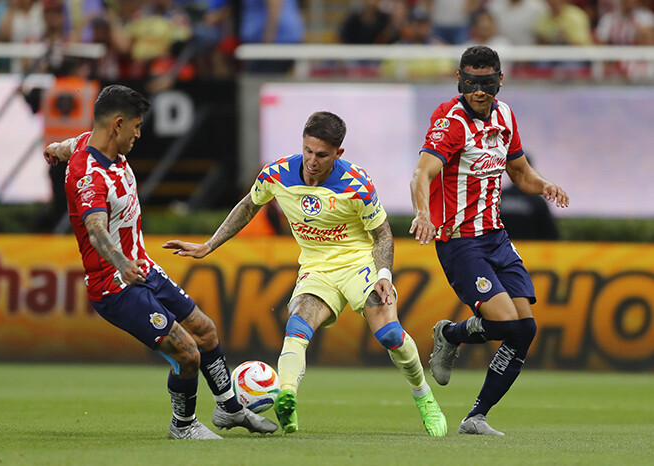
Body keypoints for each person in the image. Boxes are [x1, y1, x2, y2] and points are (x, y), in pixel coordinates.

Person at [163, 111, 448, 437]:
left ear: (338, 153)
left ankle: (424, 397)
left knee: (390, 336)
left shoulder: (357, 185)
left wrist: (384, 273)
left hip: (359, 265)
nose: (312, 160)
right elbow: (248, 206)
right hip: (316, 269)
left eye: (322, 155)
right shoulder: (277, 174)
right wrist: (209, 245)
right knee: (297, 326)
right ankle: (287, 397)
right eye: (308, 151)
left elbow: (383, 234)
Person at [42, 84, 277, 440]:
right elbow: (95, 229)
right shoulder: (90, 177)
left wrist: (55, 150)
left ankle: (229, 409)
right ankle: (182, 426)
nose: (139, 134)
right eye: (136, 126)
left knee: (206, 330)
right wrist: (120, 262)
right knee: (187, 353)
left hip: (143, 268)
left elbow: (69, 145)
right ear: (117, 125)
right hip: (115, 284)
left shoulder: (90, 141)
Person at [409, 46, 569, 436]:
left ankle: (475, 417)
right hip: (461, 242)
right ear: (459, 80)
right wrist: (423, 214)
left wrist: (543, 184)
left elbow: (520, 172)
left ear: (500, 79)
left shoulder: (505, 115)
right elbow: (422, 174)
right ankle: (449, 334)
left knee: (525, 329)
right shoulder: (451, 122)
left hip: (496, 238)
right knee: (502, 322)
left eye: (485, 82)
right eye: (470, 82)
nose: (478, 91)